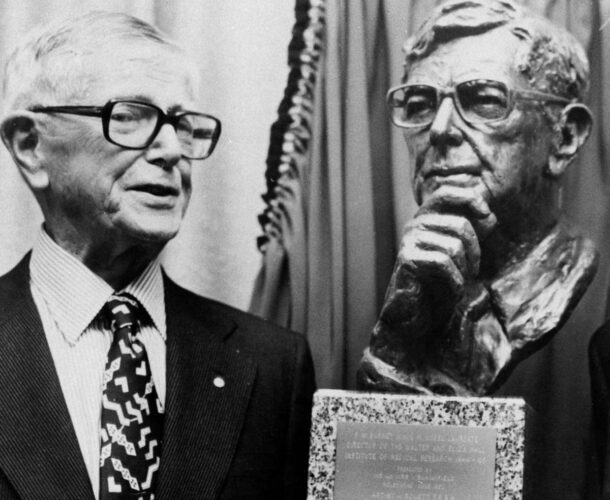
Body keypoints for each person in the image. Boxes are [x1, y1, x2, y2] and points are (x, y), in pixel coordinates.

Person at [0, 11, 315, 500]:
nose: (171, 150)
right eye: (129, 116)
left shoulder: (274, 365)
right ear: (30, 145)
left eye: (182, 124)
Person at [358, 0, 597, 396]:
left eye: (484, 100)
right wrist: (397, 344)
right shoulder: (413, 282)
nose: (439, 129)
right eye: (419, 104)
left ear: (565, 137)